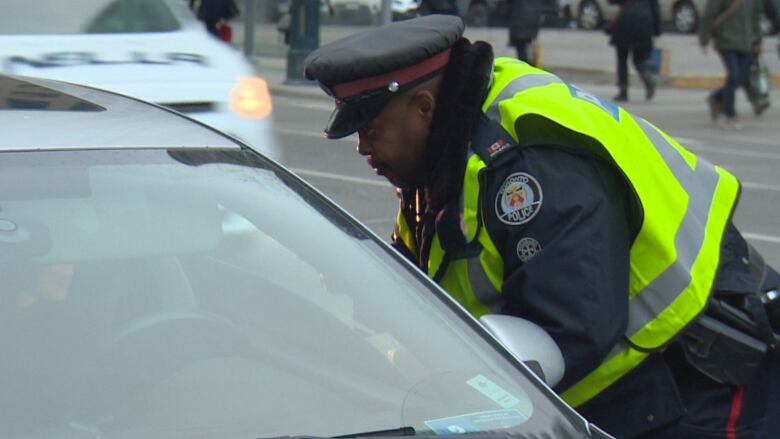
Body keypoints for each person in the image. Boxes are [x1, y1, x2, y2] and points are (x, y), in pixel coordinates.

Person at [303, 15, 780, 438]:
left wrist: (453, 388)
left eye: (372, 130)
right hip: (624, 388)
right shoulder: (444, 149)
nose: (363, 148)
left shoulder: (527, 164)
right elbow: (425, 276)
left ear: (424, 108)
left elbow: (564, 329)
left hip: (700, 377)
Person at [699, 0, 763, 129]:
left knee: (743, 77)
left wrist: (758, 40)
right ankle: (730, 114)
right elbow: (709, 14)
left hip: (746, 43)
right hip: (726, 41)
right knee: (734, 76)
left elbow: (755, 17)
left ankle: (716, 98)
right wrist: (704, 40)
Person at [605, 0, 661, 101]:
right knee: (640, 58)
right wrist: (657, 30)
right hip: (644, 23)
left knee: (622, 60)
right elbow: (655, 9)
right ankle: (647, 77)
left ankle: (623, 91)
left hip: (624, 23)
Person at [507, 0, 543, 65]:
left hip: (520, 20)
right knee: (527, 43)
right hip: (533, 19)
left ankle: (525, 63)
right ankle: (530, 63)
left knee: (521, 47)